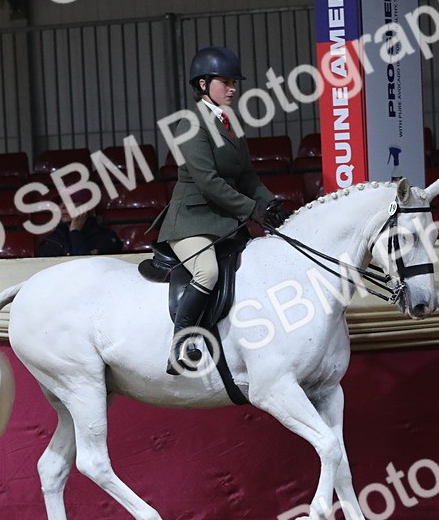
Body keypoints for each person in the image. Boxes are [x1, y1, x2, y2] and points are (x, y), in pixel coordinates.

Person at [151, 46, 286, 375]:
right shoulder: (190, 125)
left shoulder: (230, 123)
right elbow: (209, 182)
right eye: (225, 81)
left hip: (225, 221)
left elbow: (247, 175)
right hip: (191, 222)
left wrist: (269, 204)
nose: (233, 88)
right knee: (207, 272)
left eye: (234, 82)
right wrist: (252, 209)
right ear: (202, 85)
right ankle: (181, 343)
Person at [37, 190, 123, 257]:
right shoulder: (52, 240)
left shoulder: (106, 237)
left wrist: (75, 233)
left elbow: (86, 268)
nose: (63, 207)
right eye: (60, 202)